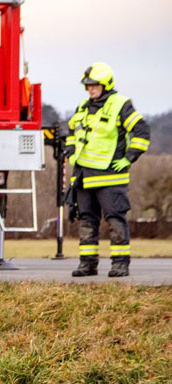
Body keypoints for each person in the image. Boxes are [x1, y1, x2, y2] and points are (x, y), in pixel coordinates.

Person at [65, 63, 150, 277]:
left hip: (111, 176)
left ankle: (120, 264)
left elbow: (142, 131)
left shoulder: (120, 105)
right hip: (84, 175)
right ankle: (87, 264)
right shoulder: (83, 107)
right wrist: (70, 148)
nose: (90, 90)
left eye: (94, 85)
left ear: (106, 84)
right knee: (86, 220)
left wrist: (129, 157)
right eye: (87, 86)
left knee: (115, 219)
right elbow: (71, 130)